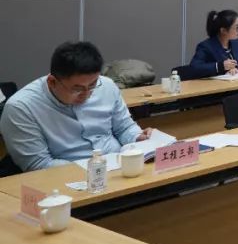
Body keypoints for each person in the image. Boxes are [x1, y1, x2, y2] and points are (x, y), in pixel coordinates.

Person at [0, 41, 152, 172]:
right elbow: (39, 165)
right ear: (52, 82)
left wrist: (137, 137)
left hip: (119, 167)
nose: (87, 94)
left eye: (92, 85)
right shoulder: (21, 108)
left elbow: (124, 127)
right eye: (77, 89)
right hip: (67, 178)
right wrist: (96, 168)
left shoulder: (107, 86)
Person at [180, 9, 238, 80]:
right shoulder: (206, 46)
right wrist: (220, 66)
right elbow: (194, 68)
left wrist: (237, 69)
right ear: (223, 30)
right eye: (236, 27)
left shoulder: (236, 44)